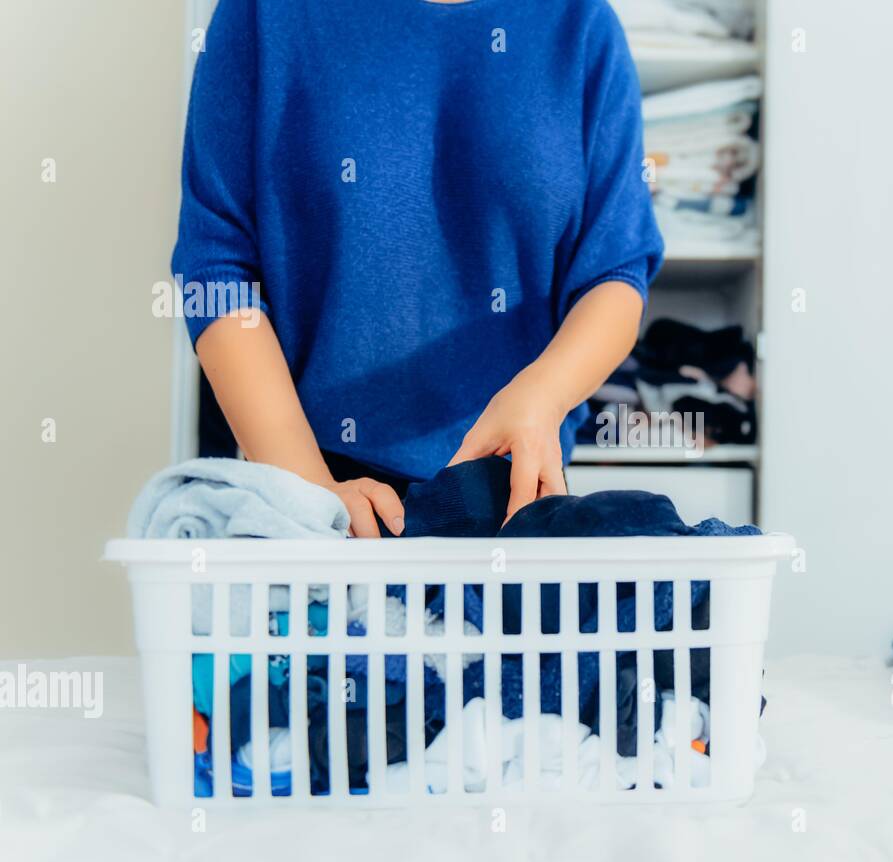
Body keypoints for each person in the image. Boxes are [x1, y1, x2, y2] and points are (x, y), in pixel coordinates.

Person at [172, 0, 663, 535]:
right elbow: (218, 275)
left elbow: (614, 273)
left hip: (512, 505)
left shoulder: (580, 23)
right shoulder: (263, 14)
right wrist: (312, 497)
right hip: (312, 497)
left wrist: (542, 396)